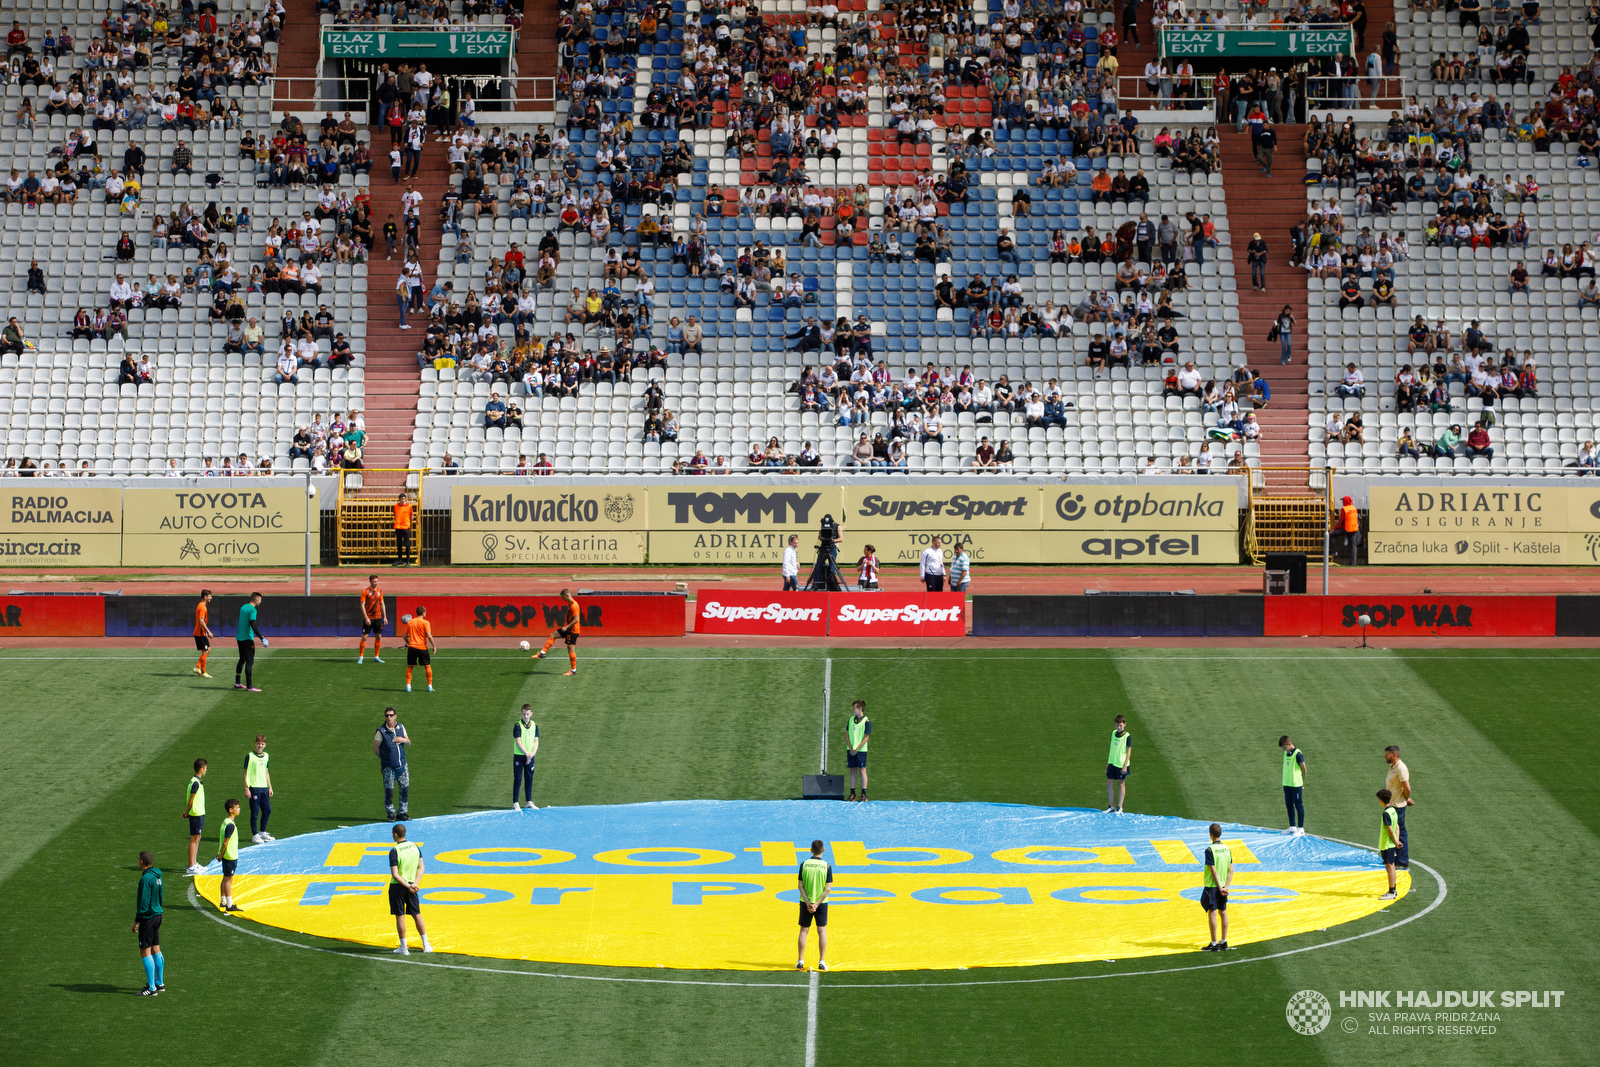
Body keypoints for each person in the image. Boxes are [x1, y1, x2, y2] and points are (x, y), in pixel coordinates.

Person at [388, 822, 433, 954]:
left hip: (398, 887)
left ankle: (404, 948)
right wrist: (414, 885)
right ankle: (426, 945)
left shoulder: (394, 851)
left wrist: (407, 886)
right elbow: (421, 867)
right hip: (412, 886)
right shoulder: (415, 846)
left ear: (395, 834)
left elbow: (395, 875)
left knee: (400, 917)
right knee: (416, 914)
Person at [133, 851, 166, 996]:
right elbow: (160, 896)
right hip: (158, 915)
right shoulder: (157, 877)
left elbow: (143, 902)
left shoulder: (145, 879)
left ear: (141, 862)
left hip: (148, 917)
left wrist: (137, 921)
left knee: (145, 951)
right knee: (156, 948)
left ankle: (151, 988)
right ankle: (159, 983)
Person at [796, 839, 831, 971]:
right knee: (821, 931)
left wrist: (808, 903)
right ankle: (821, 962)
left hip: (805, 902)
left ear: (811, 850)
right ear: (823, 850)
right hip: (821, 903)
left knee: (804, 931)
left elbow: (800, 885)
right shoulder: (826, 866)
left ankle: (800, 961)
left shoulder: (804, 864)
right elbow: (828, 889)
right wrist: (816, 904)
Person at [532, 588, 581, 676]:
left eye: (563, 597)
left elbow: (576, 619)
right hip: (568, 629)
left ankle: (573, 670)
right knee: (553, 635)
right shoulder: (570, 604)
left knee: (570, 649)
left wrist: (566, 627)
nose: (562, 599)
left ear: (567, 595)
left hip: (573, 631)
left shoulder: (574, 605)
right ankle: (542, 653)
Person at [1200, 823, 1232, 951]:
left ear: (1210, 834)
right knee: (1223, 912)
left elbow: (1213, 871)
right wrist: (1226, 887)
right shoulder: (1227, 849)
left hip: (1213, 886)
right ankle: (1223, 941)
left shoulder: (1209, 850)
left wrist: (1219, 888)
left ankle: (1214, 943)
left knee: (1212, 913)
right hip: (1224, 885)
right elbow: (1231, 869)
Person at [374, 707, 411, 821]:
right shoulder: (381, 731)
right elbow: (375, 748)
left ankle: (403, 812)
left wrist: (402, 740)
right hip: (389, 767)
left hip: (402, 765)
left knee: (404, 790)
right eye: (386, 715)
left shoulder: (400, 727)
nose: (388, 717)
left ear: (395, 716)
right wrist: (385, 758)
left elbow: (408, 742)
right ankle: (391, 814)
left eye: (391, 715)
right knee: (389, 791)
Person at [1384, 745, 1413, 869]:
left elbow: (1407, 787)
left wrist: (1405, 799)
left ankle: (1402, 860)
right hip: (1393, 804)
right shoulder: (1393, 767)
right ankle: (1399, 857)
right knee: (1395, 832)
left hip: (1397, 806)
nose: (1385, 756)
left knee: (1400, 832)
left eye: (1387, 754)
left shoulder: (1401, 768)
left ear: (1394, 755)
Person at [233, 592, 267, 691]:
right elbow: (253, 624)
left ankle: (237, 682)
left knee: (242, 659)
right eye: (260, 599)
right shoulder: (253, 610)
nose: (261, 601)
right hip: (247, 638)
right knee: (249, 661)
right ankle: (249, 686)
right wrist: (262, 638)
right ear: (256, 600)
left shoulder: (243, 607)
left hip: (239, 637)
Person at [244, 734, 274, 844]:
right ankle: (255, 834)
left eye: (262, 744)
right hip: (254, 787)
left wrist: (270, 787)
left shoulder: (266, 756)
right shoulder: (250, 756)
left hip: (264, 787)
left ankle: (262, 832)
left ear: (265, 745)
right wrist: (246, 787)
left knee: (267, 810)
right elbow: (245, 773)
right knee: (255, 811)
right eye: (258, 743)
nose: (260, 746)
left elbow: (266, 772)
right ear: (255, 743)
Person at [214, 798, 242, 913]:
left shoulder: (225, 822)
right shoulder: (230, 825)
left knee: (225, 878)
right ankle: (229, 904)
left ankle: (223, 901)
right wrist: (221, 854)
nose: (239, 809)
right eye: (237, 808)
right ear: (231, 810)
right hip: (230, 855)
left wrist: (221, 853)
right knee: (229, 879)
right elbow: (225, 842)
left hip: (227, 855)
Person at [183, 757, 208, 875]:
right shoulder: (195, 783)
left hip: (199, 813)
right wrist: (187, 812)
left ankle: (194, 863)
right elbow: (190, 800)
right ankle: (190, 865)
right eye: (205, 768)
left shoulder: (197, 781)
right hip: (196, 814)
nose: (206, 770)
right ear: (201, 769)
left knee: (197, 838)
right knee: (194, 839)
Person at [512, 703, 539, 811]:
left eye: (527, 714)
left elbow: (536, 741)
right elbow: (518, 742)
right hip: (519, 755)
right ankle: (515, 802)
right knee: (518, 779)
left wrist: (532, 754)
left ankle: (528, 801)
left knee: (529, 778)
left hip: (530, 756)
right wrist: (527, 754)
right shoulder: (518, 726)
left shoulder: (534, 725)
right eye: (524, 714)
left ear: (531, 714)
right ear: (521, 714)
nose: (526, 716)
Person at [403, 606, 436, 693]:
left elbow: (404, 636)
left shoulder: (410, 622)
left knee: (410, 666)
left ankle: (408, 687)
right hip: (422, 648)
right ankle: (429, 687)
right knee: (427, 666)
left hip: (412, 648)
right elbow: (428, 635)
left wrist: (408, 642)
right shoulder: (426, 622)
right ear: (423, 613)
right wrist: (434, 645)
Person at [1377, 789, 1401, 900]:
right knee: (1391, 867)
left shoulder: (1386, 813)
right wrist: (1397, 840)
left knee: (1390, 867)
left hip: (1387, 844)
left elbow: (1390, 829)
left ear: (1381, 800)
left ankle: (1392, 891)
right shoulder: (1393, 811)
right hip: (1391, 843)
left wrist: (1395, 841)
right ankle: (1393, 890)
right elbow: (1397, 827)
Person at [1279, 735, 1306, 835]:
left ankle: (1301, 828)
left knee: (1298, 805)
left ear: (1289, 744)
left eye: (1284, 747)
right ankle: (1292, 827)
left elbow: (1304, 769)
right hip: (1287, 784)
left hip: (1296, 784)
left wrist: (1303, 783)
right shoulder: (1286, 754)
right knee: (1289, 805)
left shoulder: (1298, 754)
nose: (1284, 750)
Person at [846, 699, 871, 802]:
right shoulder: (851, 719)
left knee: (862, 770)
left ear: (860, 709)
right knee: (852, 771)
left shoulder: (866, 722)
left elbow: (866, 737)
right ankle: (852, 794)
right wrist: (851, 748)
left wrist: (857, 749)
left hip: (861, 751)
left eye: (854, 708)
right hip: (851, 750)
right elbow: (846, 734)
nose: (852, 710)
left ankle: (864, 794)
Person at [1106, 714, 1132, 813]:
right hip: (1112, 762)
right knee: (1109, 783)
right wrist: (1109, 762)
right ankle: (1111, 806)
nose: (1119, 727)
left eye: (1120, 725)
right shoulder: (1113, 733)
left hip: (1121, 764)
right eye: (1117, 725)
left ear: (1124, 724)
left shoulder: (1127, 736)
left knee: (1121, 784)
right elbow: (1111, 748)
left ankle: (1119, 807)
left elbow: (1129, 751)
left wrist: (1125, 765)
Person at [358, 574, 386, 663]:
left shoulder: (380, 591)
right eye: (374, 581)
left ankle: (376, 656)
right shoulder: (365, 591)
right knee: (365, 637)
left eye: (377, 581)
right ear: (370, 581)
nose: (376, 583)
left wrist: (385, 617)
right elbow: (362, 605)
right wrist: (366, 617)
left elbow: (382, 604)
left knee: (378, 636)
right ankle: (361, 657)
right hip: (369, 618)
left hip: (378, 618)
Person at [191, 588, 213, 678]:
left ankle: (197, 667)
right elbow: (201, 621)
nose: (211, 598)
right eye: (210, 596)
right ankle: (203, 672)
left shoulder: (202, 605)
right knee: (205, 651)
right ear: (205, 597)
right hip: (200, 633)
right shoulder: (202, 607)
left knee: (208, 650)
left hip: (201, 633)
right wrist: (209, 632)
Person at [1335, 494, 1361, 565]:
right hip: (1354, 529)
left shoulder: (1344, 509)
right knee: (1353, 546)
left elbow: (1340, 521)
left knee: (1330, 535)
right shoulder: (1354, 508)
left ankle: (1333, 550)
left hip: (1346, 528)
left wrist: (1335, 528)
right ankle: (1353, 563)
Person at [392, 491, 414, 566]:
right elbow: (395, 514)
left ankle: (408, 560)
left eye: (404, 499)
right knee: (399, 544)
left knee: (407, 544)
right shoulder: (396, 506)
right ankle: (400, 560)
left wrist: (409, 524)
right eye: (401, 499)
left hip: (406, 527)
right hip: (398, 527)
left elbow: (412, 516)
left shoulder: (409, 506)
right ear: (399, 499)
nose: (403, 500)